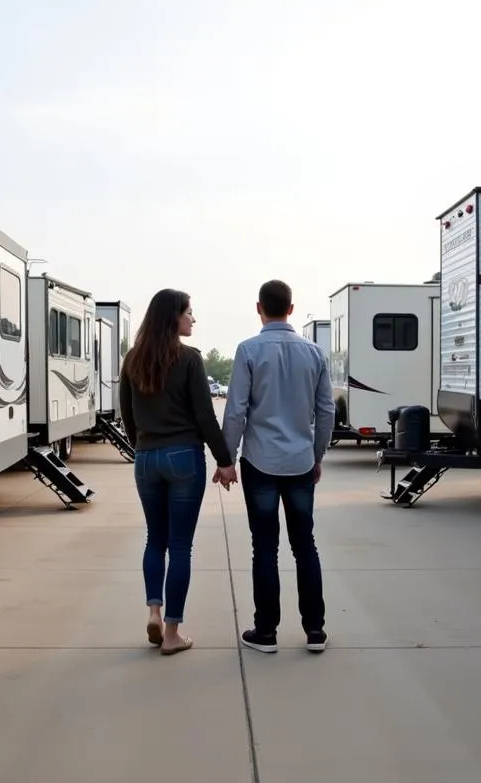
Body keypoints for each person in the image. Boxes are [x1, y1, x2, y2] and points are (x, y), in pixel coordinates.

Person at [120, 289, 238, 655]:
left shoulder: (132, 359)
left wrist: (141, 445)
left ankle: (154, 611)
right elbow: (205, 415)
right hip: (184, 457)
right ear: (174, 317)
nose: (193, 319)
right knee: (180, 545)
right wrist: (224, 460)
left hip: (146, 457)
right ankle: (172, 634)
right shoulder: (189, 359)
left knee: (155, 540)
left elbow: (127, 414)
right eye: (189, 313)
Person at [221, 280, 336, 653]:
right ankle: (315, 631)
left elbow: (236, 409)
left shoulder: (248, 350)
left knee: (265, 547)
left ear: (259, 308)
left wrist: (227, 458)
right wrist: (317, 456)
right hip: (301, 462)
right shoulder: (315, 353)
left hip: (261, 462)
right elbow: (326, 411)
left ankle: (266, 632)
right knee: (305, 546)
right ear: (291, 308)